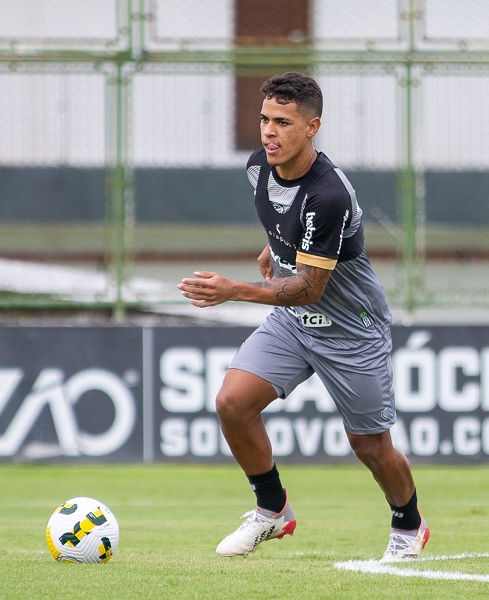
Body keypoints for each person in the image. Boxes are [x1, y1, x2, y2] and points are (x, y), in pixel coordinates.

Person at [177, 72, 429, 561]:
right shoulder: (258, 168)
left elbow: (310, 290)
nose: (269, 132)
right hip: (293, 324)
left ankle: (408, 524)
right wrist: (275, 248)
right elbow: (286, 225)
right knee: (232, 403)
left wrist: (234, 290)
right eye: (265, 120)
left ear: (312, 127)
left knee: (371, 447)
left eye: (284, 123)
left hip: (349, 328)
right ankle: (272, 511)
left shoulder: (329, 194)